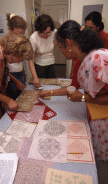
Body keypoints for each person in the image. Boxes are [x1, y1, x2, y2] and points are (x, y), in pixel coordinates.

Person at [39, 20, 108, 162]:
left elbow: (83, 95)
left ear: (68, 43)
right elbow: (73, 88)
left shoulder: (100, 59)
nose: (60, 52)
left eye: (60, 47)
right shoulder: (79, 61)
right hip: (94, 114)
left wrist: (83, 98)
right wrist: (50, 93)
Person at [0, 33, 33, 129]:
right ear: (13, 53)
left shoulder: (2, 52)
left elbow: (0, 72)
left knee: (1, 114)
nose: (18, 62)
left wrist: (16, 81)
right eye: (19, 59)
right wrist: (8, 99)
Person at [70, 11, 108, 87]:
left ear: (98, 27)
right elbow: (76, 57)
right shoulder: (83, 35)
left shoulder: (105, 38)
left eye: (90, 27)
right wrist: (73, 72)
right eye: (86, 27)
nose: (87, 30)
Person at [1, 13, 27, 100]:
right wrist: (16, 81)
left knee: (23, 97)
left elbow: (19, 59)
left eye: (21, 34)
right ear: (10, 29)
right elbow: (3, 67)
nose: (19, 36)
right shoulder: (4, 41)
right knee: (14, 98)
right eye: (17, 33)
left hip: (20, 73)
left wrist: (23, 73)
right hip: (10, 76)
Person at [29, 14, 57, 88]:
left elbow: (60, 39)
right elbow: (30, 60)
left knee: (52, 86)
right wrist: (35, 78)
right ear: (37, 30)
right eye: (42, 33)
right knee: (42, 87)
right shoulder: (33, 38)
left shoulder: (53, 32)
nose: (45, 36)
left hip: (51, 63)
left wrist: (53, 45)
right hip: (39, 66)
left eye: (48, 33)